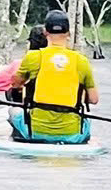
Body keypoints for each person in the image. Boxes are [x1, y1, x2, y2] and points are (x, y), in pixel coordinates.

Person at [11, 8, 98, 143]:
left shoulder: (33, 57)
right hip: (73, 134)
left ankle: (20, 139)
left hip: (36, 131)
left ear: (45, 32)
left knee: (13, 112)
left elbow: (15, 85)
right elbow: (93, 99)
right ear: (68, 33)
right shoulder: (81, 61)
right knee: (87, 118)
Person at [0, 25, 46, 99]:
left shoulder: (18, 65)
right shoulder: (59, 64)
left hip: (27, 106)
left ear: (30, 43)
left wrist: (0, 72)